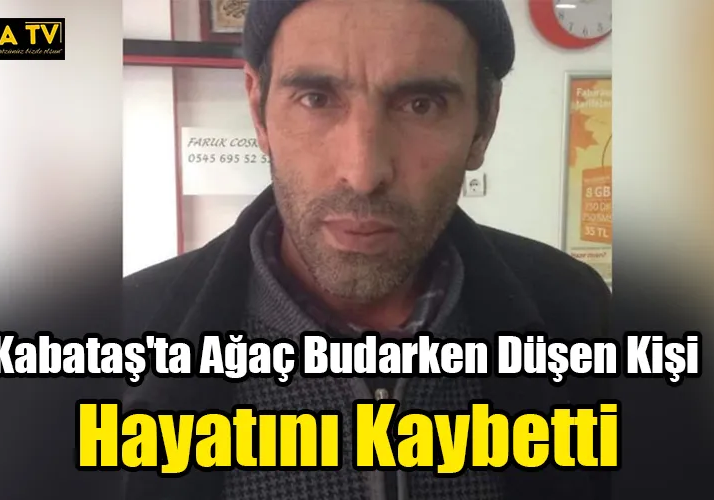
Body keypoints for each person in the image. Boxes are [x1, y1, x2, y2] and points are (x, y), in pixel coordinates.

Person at [122, 0, 611, 499]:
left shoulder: (578, 314)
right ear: (258, 109)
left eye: (421, 104)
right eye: (316, 98)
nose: (363, 173)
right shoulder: (117, 336)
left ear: (483, 125)